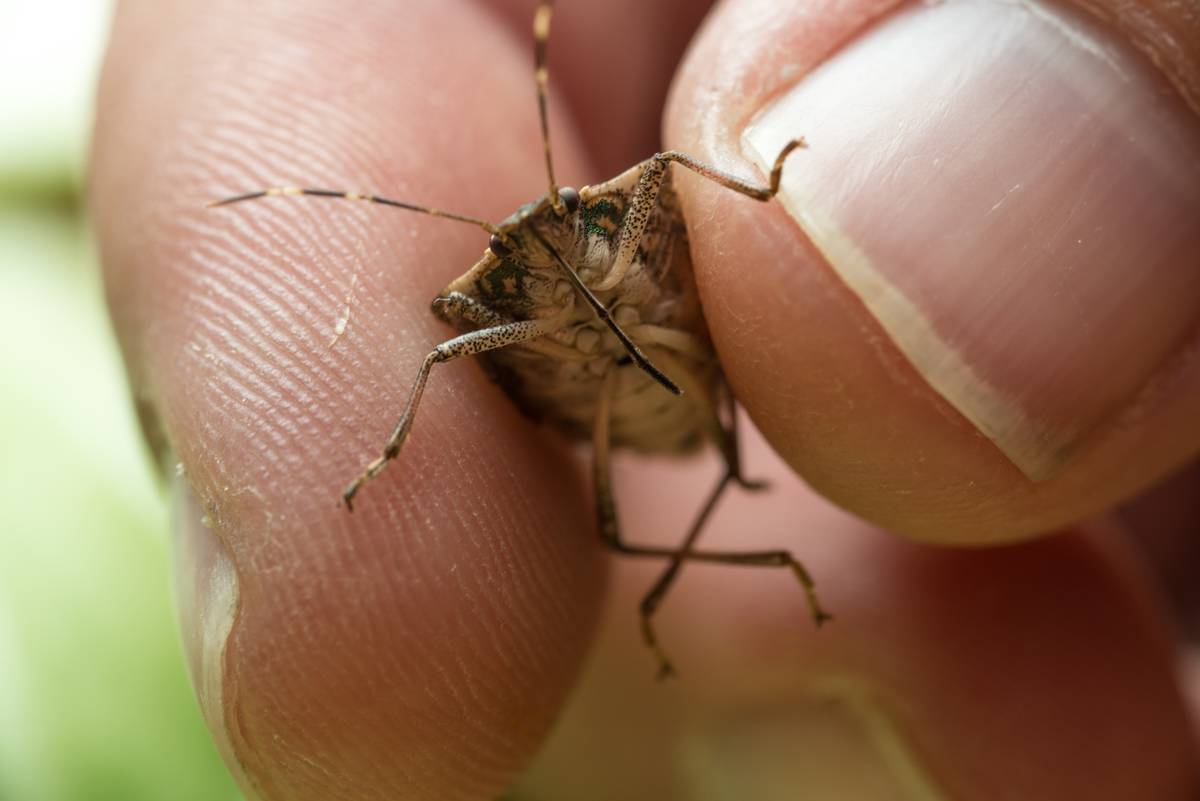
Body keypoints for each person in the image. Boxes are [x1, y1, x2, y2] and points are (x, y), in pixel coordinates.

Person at [90, 0, 1200, 798]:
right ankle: (751, 573)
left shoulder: (629, 221)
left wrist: (765, 189)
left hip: (699, 374)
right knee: (598, 528)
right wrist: (383, 461)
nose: (559, 258)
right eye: (537, 258)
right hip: (620, 408)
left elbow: (684, 174)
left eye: (565, 237)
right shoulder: (518, 299)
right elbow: (434, 344)